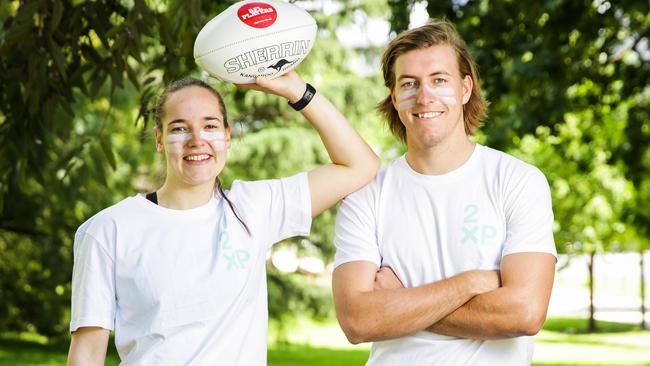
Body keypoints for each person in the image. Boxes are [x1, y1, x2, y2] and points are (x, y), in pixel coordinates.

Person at [67, 70, 380, 365]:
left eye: (210, 126)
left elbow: (360, 165)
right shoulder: (107, 230)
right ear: (159, 139)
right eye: (179, 128)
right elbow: (87, 353)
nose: (196, 140)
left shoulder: (253, 208)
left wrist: (297, 91)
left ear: (227, 137)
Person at [332, 19, 557, 365]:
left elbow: (524, 313)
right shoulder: (366, 195)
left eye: (439, 80)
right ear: (394, 97)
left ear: (465, 89)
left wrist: (401, 302)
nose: (425, 96)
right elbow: (357, 321)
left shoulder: (518, 181)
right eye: (409, 83)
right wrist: (470, 284)